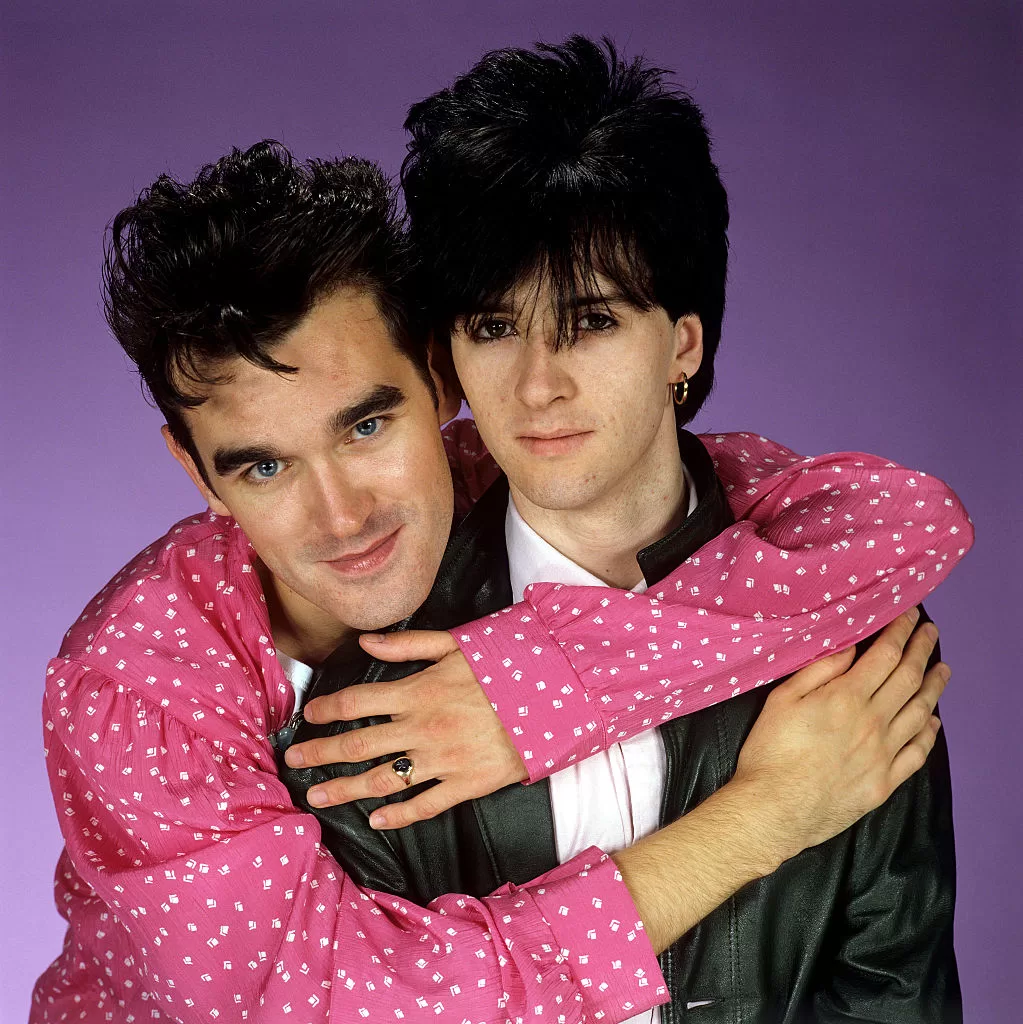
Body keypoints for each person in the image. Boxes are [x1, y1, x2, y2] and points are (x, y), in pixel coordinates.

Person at [31, 141, 968, 1022]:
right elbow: (359, 1006)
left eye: (367, 427)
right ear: (197, 476)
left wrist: (546, 684)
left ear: (440, 386)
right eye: (262, 468)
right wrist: (766, 814)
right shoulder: (136, 693)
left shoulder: (504, 465)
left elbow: (897, 523)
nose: (344, 515)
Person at [283, 37, 968, 1021]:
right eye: (492, 327)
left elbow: (895, 999)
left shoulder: (847, 643)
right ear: (447, 360)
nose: (537, 384)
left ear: (681, 343)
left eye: (592, 321)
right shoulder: (374, 695)